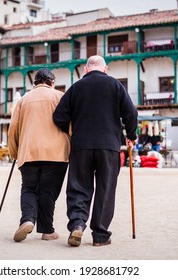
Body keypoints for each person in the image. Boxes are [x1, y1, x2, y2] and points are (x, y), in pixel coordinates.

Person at [53, 55, 138, 247]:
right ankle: (100, 235)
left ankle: (77, 224)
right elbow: (131, 113)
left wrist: (72, 130)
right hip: (109, 146)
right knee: (105, 189)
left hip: (81, 145)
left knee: (78, 186)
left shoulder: (76, 87)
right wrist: (131, 135)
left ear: (86, 69)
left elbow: (59, 116)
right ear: (105, 69)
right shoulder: (115, 85)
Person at [8, 68, 70, 242]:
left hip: (29, 152)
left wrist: (14, 152)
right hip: (56, 153)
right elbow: (71, 125)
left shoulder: (23, 100)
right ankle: (47, 231)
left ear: (35, 82)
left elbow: (13, 128)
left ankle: (27, 220)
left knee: (28, 188)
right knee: (48, 192)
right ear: (52, 82)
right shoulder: (60, 97)